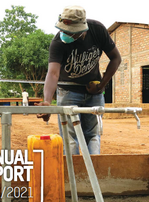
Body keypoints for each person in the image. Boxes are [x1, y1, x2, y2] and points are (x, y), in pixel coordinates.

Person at [37, 6, 121, 155]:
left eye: (70, 32)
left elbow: (116, 58)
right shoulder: (58, 42)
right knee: (69, 138)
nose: (65, 34)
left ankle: (92, 174)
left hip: (94, 94)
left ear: (82, 29)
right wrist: (47, 102)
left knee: (93, 135)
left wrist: (101, 86)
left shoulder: (97, 30)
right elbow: (53, 73)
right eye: (63, 29)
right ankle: (74, 174)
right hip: (68, 93)